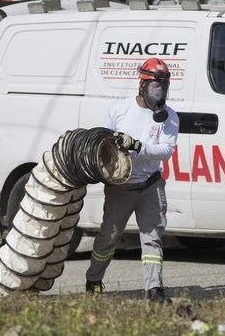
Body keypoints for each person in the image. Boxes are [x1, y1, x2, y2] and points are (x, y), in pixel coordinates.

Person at [85, 58, 179, 304]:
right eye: (155, 88)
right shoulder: (120, 111)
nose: (159, 94)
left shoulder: (169, 117)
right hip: (120, 188)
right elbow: (104, 147)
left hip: (151, 184)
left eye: (163, 88)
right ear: (142, 85)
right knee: (109, 237)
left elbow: (166, 151)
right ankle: (94, 279)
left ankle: (154, 289)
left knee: (153, 238)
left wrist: (136, 145)